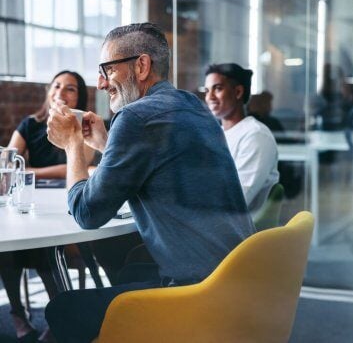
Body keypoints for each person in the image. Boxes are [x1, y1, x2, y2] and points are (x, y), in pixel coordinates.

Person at [44, 22, 254, 343]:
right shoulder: (192, 106)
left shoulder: (135, 118)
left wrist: (73, 144)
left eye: (107, 69)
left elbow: (87, 213)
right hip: (237, 280)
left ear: (141, 66)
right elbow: (161, 168)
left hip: (199, 293)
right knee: (130, 270)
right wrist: (105, 144)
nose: (100, 83)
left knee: (62, 309)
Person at [1, 70, 92, 343]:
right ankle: (18, 314)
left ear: (80, 96)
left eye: (71, 88)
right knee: (9, 245)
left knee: (45, 243)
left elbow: (78, 166)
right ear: (48, 91)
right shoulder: (30, 124)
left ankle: (58, 318)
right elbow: (8, 161)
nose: (61, 92)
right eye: (57, 86)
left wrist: (32, 171)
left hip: (67, 203)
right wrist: (15, 165)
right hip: (33, 203)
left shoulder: (82, 124)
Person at [204, 63, 279, 215]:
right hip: (212, 219)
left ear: (238, 92)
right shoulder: (217, 134)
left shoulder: (255, 136)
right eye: (207, 90)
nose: (209, 97)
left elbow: (236, 199)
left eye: (217, 89)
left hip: (235, 230)